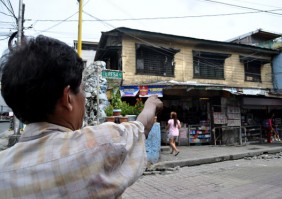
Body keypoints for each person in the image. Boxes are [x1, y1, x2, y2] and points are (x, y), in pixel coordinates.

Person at [0, 35, 163, 198]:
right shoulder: (99, 143)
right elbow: (140, 127)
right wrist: (151, 104)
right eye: (82, 89)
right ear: (67, 98)